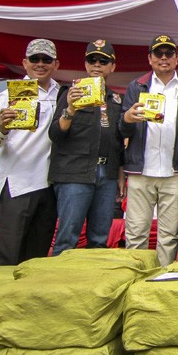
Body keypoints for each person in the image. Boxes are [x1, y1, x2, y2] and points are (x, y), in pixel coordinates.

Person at [0, 39, 62, 265]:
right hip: (18, 184)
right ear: (24, 63)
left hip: (49, 185)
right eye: (35, 59)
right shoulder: (8, 95)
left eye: (46, 60)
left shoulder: (62, 93)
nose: (40, 64)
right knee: (6, 256)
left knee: (35, 258)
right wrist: (2, 127)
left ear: (56, 64)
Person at [120, 34, 178, 266]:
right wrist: (128, 118)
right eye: (158, 53)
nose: (164, 58)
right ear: (150, 58)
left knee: (170, 235)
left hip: (174, 172)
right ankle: (134, 279)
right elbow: (121, 128)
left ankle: (162, 281)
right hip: (141, 170)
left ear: (176, 58)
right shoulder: (137, 85)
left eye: (169, 53)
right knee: (136, 233)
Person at [49, 40, 125, 256]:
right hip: (75, 172)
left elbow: (118, 141)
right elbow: (55, 134)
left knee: (100, 239)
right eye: (92, 60)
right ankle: (55, 286)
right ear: (85, 64)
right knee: (67, 238)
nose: (97, 65)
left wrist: (119, 173)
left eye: (103, 61)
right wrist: (71, 109)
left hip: (107, 174)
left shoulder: (115, 99)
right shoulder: (70, 93)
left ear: (112, 67)